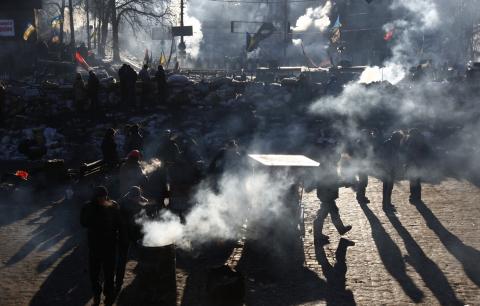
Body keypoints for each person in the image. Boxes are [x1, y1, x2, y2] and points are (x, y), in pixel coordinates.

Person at [80, 186, 121, 306]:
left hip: (110, 246)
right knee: (94, 274)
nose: (103, 199)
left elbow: (119, 224)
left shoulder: (113, 206)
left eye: (104, 197)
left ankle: (108, 297)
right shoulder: (88, 207)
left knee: (109, 274)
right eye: (100, 197)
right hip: (95, 246)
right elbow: (83, 223)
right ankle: (97, 295)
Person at [314, 145, 352, 243]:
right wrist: (345, 183)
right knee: (323, 214)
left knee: (333, 211)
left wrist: (343, 182)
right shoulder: (328, 167)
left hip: (326, 193)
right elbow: (331, 183)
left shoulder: (328, 165)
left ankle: (340, 229)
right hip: (326, 194)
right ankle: (318, 235)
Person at [116, 186, 149, 293]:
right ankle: (119, 281)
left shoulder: (131, 198)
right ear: (132, 197)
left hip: (134, 231)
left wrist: (144, 201)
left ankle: (142, 273)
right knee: (122, 258)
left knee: (141, 254)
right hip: (125, 232)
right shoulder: (124, 204)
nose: (139, 198)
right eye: (137, 197)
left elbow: (142, 202)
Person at [379, 131, 404, 210]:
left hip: (392, 168)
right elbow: (383, 157)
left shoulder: (394, 144)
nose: (400, 141)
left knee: (389, 187)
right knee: (387, 187)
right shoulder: (388, 144)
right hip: (387, 169)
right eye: (399, 139)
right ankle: (385, 204)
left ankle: (388, 203)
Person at [404, 128, 430, 203]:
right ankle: (417, 196)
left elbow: (408, 152)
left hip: (413, 163)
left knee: (413, 180)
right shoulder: (421, 139)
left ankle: (413, 196)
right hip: (418, 163)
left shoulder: (411, 140)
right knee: (417, 180)